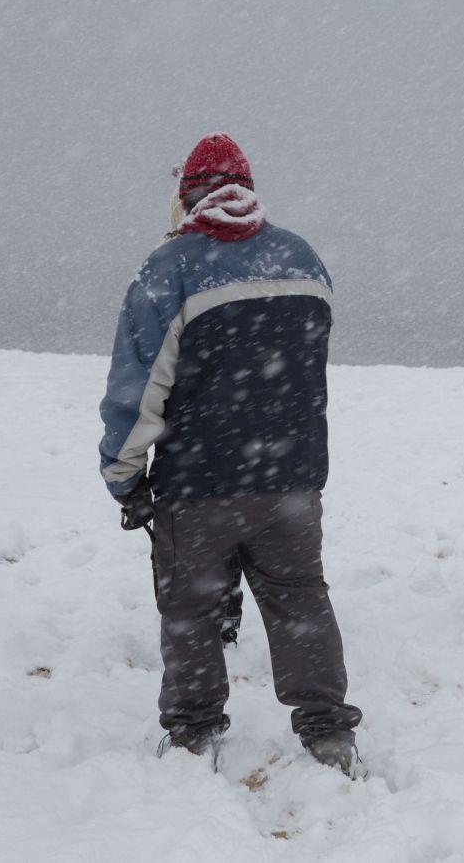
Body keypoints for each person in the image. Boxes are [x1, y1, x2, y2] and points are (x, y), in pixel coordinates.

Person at [98, 133, 363, 775]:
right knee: (300, 599)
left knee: (191, 607)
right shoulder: (303, 257)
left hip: (199, 482)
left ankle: (193, 733)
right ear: (245, 188)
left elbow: (137, 388)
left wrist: (124, 475)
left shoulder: (170, 268)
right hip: (292, 480)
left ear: (189, 193)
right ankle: (327, 731)